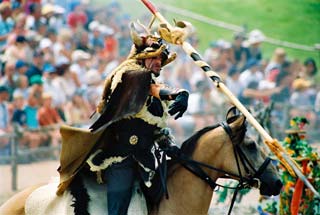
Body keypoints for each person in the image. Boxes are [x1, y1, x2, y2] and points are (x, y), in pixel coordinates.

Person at [56, 22, 189, 215]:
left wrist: (166, 141)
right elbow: (151, 89)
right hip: (121, 156)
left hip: (147, 156)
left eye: (161, 57)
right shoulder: (128, 76)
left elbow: (156, 126)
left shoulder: (154, 83)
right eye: (153, 57)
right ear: (141, 58)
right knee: (118, 207)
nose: (159, 61)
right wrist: (178, 93)